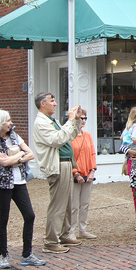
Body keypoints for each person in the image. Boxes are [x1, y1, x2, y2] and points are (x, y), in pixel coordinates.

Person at [0, 109, 45, 269]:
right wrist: (19, 157)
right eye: (7, 121)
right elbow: (0, 161)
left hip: (19, 181)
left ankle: (27, 254)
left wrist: (13, 158)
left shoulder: (15, 136)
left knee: (29, 215)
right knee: (3, 219)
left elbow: (31, 154)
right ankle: (4, 255)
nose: (11, 123)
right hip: (2, 183)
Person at [32, 92, 81, 254]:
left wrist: (77, 120)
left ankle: (64, 233)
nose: (55, 104)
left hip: (65, 164)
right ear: (42, 104)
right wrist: (70, 120)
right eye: (52, 101)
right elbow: (57, 140)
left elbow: (69, 136)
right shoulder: (41, 122)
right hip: (56, 165)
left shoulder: (52, 121)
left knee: (67, 202)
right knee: (58, 204)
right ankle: (51, 241)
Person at [69, 108, 98, 240]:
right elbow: (70, 156)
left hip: (88, 173)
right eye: (81, 118)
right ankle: (71, 230)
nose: (83, 121)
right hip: (76, 174)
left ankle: (83, 229)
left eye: (85, 118)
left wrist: (92, 170)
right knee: (73, 204)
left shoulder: (88, 135)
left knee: (85, 203)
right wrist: (75, 173)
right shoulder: (70, 136)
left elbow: (92, 153)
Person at [120, 107, 136, 231]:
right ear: (135, 117)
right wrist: (132, 149)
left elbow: (122, 140)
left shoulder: (131, 127)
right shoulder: (134, 126)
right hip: (134, 161)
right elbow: (125, 141)